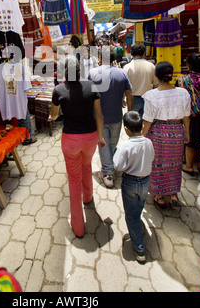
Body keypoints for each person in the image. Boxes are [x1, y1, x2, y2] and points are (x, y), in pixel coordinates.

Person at [48, 55, 105, 238]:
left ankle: (78, 227)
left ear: (64, 72)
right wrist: (100, 136)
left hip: (71, 140)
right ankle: (88, 197)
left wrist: (51, 118)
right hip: (90, 138)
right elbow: (99, 116)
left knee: (74, 180)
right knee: (86, 165)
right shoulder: (92, 86)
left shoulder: (58, 90)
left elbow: (55, 116)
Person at [142, 61, 191, 209]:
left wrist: (140, 137)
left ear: (156, 76)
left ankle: (159, 194)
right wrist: (187, 133)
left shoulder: (151, 96)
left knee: (157, 164)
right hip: (177, 131)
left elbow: (148, 121)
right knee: (175, 164)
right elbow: (186, 117)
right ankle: (174, 193)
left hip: (158, 134)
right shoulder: (183, 93)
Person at [113, 111, 155, 263]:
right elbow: (152, 158)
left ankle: (139, 248)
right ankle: (139, 226)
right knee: (139, 205)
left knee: (130, 215)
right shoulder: (149, 142)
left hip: (130, 182)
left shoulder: (125, 146)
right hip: (145, 181)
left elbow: (117, 165)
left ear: (126, 129)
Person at [89, 47, 133, 188]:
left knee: (103, 144)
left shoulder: (92, 73)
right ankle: (110, 168)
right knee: (112, 144)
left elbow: (87, 94)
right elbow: (129, 95)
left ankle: (108, 172)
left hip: (98, 117)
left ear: (101, 57)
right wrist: (130, 113)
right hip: (116, 116)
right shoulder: (122, 73)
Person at [178, 53, 200, 176]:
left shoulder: (184, 80)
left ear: (189, 65)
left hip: (190, 114)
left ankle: (189, 166)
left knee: (190, 140)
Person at [124, 44, 157, 117]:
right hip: (148, 99)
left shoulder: (127, 67)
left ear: (131, 54)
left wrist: (123, 98)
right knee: (146, 123)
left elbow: (125, 87)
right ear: (143, 53)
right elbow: (156, 84)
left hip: (132, 99)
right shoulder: (151, 66)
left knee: (134, 123)